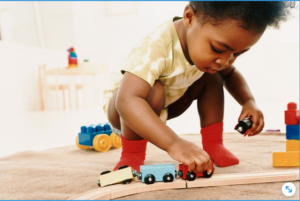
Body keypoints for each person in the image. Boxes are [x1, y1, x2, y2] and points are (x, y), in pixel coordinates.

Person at [102, 1, 295, 173]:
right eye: (218, 49)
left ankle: (214, 144)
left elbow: (231, 74)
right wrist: (174, 144)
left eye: (237, 54)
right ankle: (132, 154)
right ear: (189, 17)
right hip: (125, 114)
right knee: (155, 89)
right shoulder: (156, 46)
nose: (226, 60)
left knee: (213, 76)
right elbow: (127, 100)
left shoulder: (213, 56)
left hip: (165, 106)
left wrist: (248, 101)